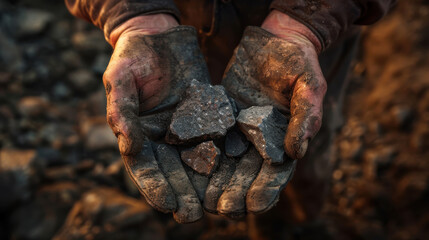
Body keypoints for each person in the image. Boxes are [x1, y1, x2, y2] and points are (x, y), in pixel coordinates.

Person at [65, 0, 397, 227]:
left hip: (312, 33)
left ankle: (299, 220)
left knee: (303, 132)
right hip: (176, 29)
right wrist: (134, 15)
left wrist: (307, 22)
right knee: (282, 144)